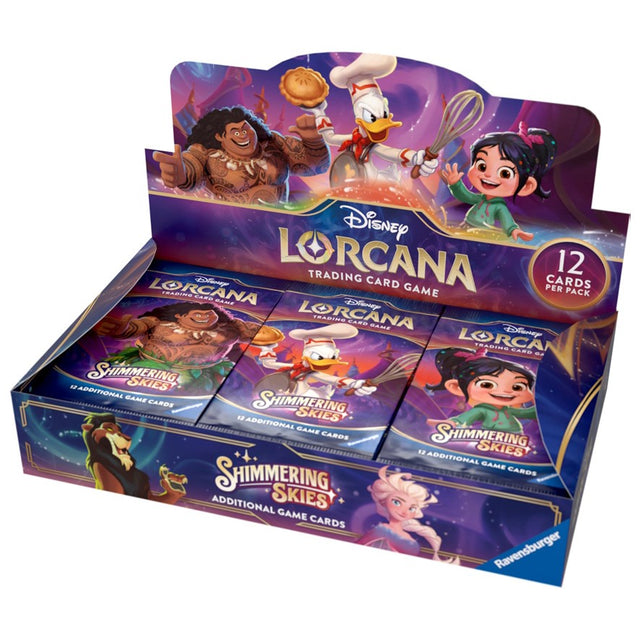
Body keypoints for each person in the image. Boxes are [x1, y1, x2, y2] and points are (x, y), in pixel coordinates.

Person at [152, 105, 330, 204]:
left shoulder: (273, 143)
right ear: (219, 136)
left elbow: (317, 166)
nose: (244, 135)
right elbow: (192, 167)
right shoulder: (206, 153)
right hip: (231, 238)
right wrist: (180, 174)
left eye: (246, 129)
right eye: (236, 132)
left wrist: (313, 141)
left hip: (281, 230)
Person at [441, 122, 557, 241]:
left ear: (526, 186)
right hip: (465, 227)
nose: (488, 175)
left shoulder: (499, 207)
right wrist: (455, 184)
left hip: (480, 235)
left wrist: (514, 230)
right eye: (482, 166)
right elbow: (465, 196)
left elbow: (507, 221)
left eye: (505, 173)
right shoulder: (481, 198)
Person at [426, 347, 536, 433]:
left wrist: (539, 405)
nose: (507, 392)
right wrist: (449, 423)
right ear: (457, 387)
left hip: (516, 439)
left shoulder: (507, 410)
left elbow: (527, 413)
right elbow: (463, 419)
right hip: (488, 438)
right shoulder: (480, 410)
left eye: (517, 387)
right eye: (487, 384)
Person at [358, 466, 456, 562]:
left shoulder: (409, 538)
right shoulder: (382, 530)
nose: (404, 511)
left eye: (412, 508)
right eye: (397, 502)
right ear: (384, 502)